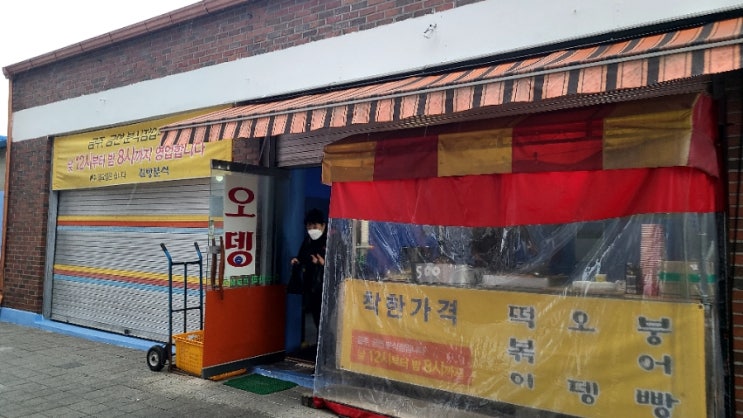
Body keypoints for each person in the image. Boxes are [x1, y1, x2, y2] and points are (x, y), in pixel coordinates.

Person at [290, 208, 327, 335]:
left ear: (323, 225)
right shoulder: (308, 241)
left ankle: (326, 343)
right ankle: (318, 342)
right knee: (316, 316)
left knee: (325, 319)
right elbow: (302, 257)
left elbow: (339, 264)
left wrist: (323, 263)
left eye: (315, 226)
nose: (312, 229)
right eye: (309, 226)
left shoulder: (332, 240)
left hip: (326, 288)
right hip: (312, 286)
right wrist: (297, 260)